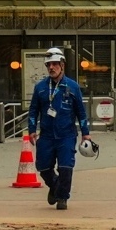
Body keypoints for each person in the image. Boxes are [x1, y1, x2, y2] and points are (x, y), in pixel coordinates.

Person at [28, 47, 91, 210]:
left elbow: (81, 112)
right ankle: (55, 186)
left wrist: (86, 134)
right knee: (43, 167)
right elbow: (33, 110)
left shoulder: (73, 87)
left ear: (62, 65)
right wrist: (32, 129)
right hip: (46, 135)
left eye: (55, 64)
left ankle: (62, 197)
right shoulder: (40, 88)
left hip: (66, 135)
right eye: (48, 65)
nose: (51, 67)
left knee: (66, 167)